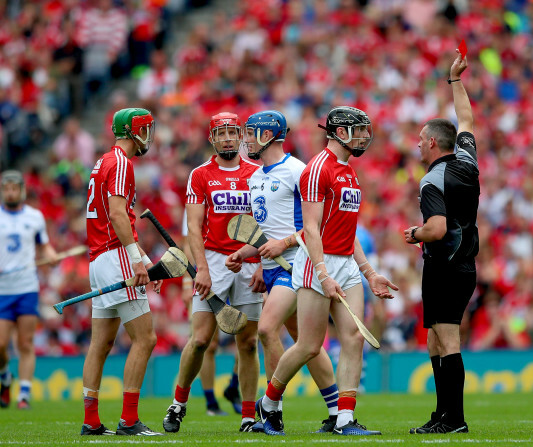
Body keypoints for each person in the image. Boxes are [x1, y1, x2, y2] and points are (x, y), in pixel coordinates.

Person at [256, 106, 398, 436]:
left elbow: (348, 229)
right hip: (315, 263)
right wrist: (322, 272)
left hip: (345, 262)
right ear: (340, 132)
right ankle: (269, 401)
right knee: (308, 345)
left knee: (353, 338)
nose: (364, 136)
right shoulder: (317, 169)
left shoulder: (349, 171)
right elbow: (311, 228)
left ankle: (345, 419)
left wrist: (369, 272)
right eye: (358, 130)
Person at [225, 110, 340, 433]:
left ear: (267, 135)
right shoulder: (255, 177)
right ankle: (335, 412)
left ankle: (273, 410)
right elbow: (265, 233)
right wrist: (246, 253)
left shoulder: (298, 172)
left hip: (298, 266)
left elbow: (315, 228)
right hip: (272, 269)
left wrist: (283, 244)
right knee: (307, 343)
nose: (245, 140)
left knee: (266, 329)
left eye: (251, 133)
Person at [162, 112, 263, 433]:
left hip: (248, 262)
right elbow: (193, 226)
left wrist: (260, 261)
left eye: (233, 132)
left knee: (248, 342)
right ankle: (178, 403)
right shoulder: (200, 175)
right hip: (214, 261)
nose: (228, 138)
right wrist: (201, 269)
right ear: (212, 139)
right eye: (221, 134)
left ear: (241, 136)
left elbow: (265, 223)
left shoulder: (258, 173)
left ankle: (248, 416)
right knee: (201, 339)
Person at [403, 50, 478, 435]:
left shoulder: (432, 179)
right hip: (460, 264)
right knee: (434, 337)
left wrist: (412, 234)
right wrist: (455, 80)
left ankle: (455, 419)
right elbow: (465, 117)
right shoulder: (468, 160)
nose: (417, 146)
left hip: (445, 263)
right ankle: (441, 414)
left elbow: (434, 227)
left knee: (447, 338)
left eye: (420, 140)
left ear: (432, 142)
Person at [78, 108, 161, 435]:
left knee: (101, 344)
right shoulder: (122, 163)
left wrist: (145, 258)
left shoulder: (103, 161)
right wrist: (136, 260)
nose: (149, 137)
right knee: (146, 338)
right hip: (115, 256)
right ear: (134, 130)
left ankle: (91, 420)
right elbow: (117, 215)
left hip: (99, 260)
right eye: (146, 130)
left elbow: (118, 215)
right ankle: (128, 420)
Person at [0, 170, 58, 410]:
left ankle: (23, 395)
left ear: (22, 190)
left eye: (14, 188)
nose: (10, 192)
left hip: (27, 287)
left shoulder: (35, 217)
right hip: (1, 290)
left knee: (26, 343)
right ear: (2, 191)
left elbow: (45, 246)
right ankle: (6, 377)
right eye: (6, 189)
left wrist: (51, 256)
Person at [181, 211, 242, 416]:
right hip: (210, 272)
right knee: (207, 342)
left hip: (242, 268)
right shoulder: (198, 194)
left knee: (249, 338)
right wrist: (188, 280)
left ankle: (233, 386)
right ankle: (210, 402)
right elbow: (188, 240)